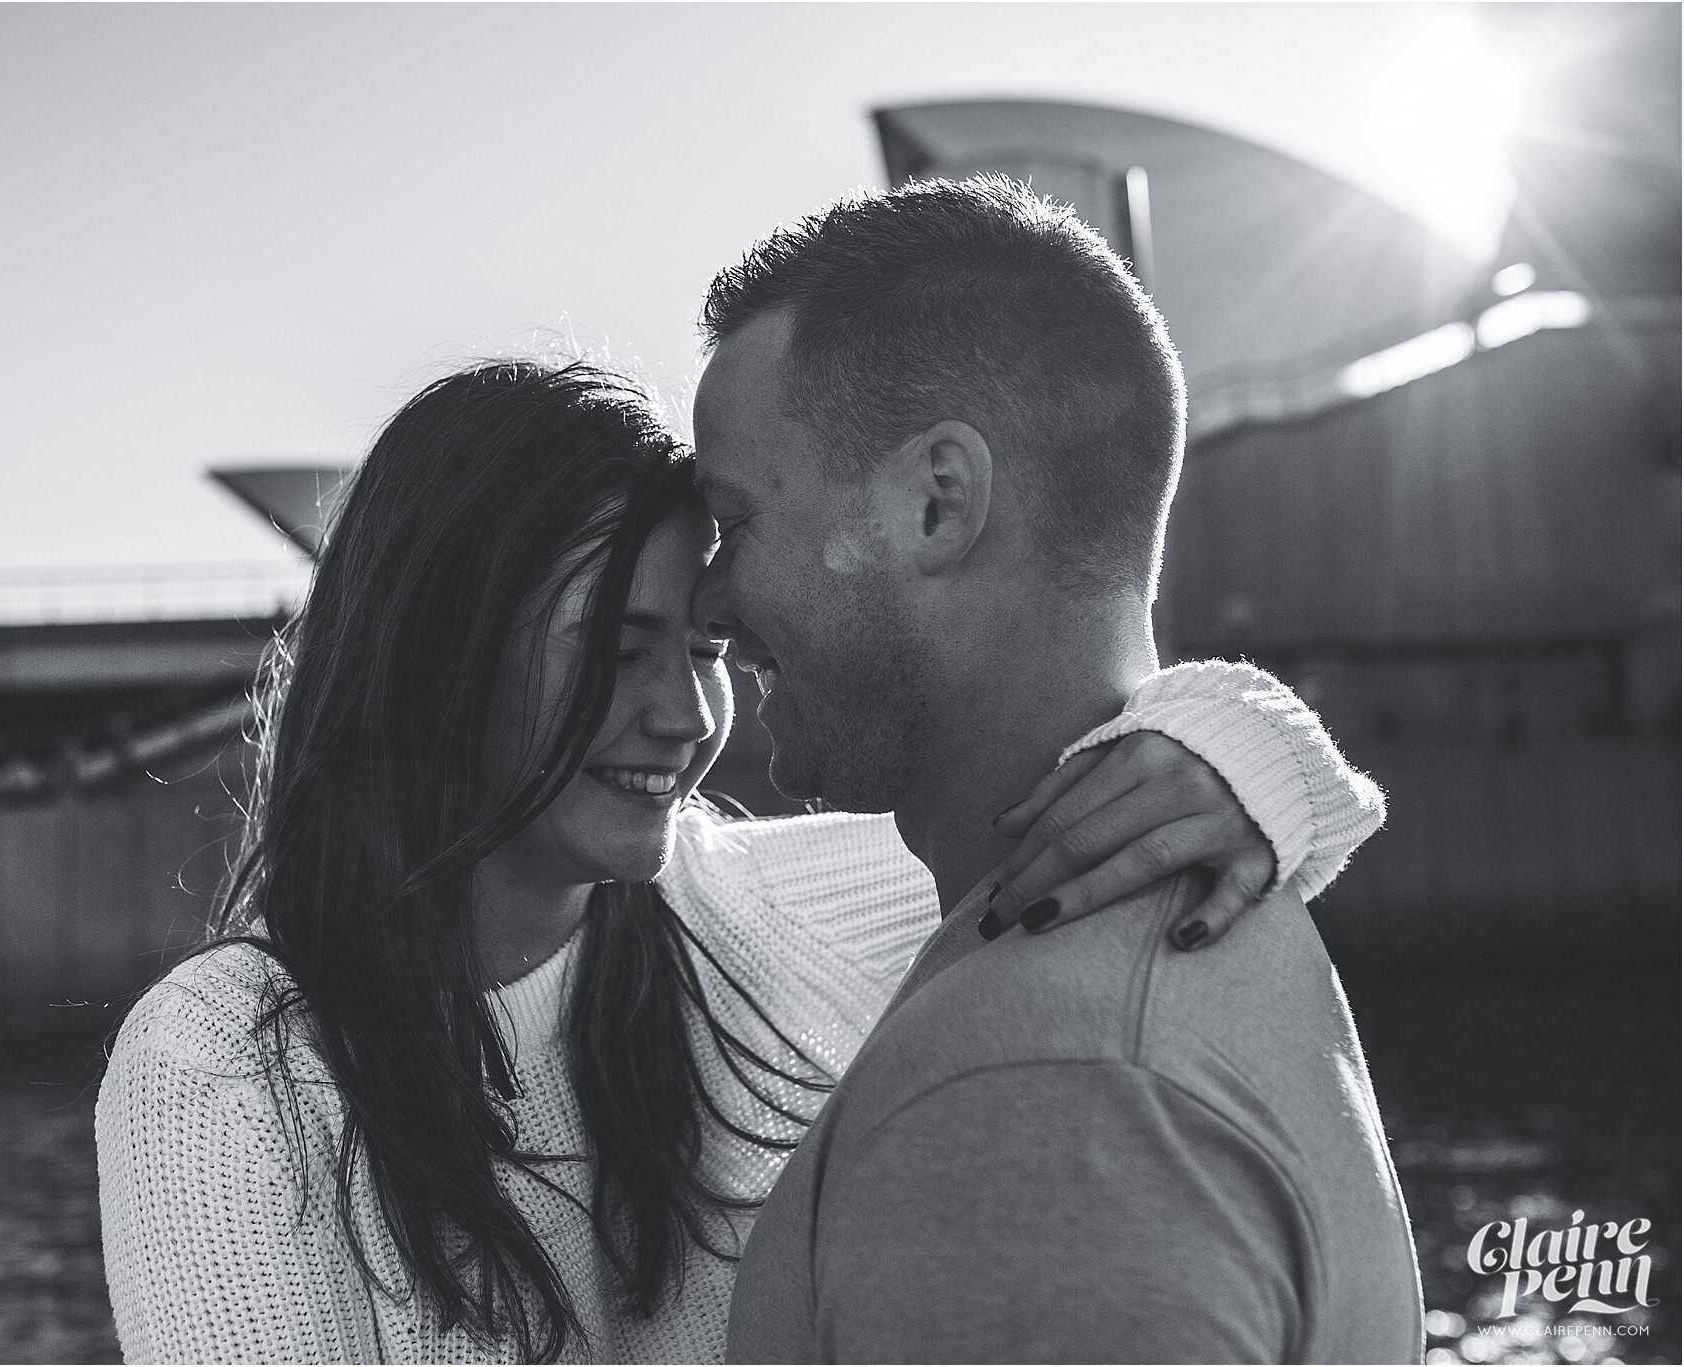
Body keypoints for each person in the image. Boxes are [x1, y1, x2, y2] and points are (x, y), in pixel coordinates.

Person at [96, 359, 1385, 1363]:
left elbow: (1141, 778)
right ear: (433, 648)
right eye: (612, 648)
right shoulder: (225, 1070)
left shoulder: (765, 904)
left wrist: (1224, 760)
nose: (684, 715)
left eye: (703, 648)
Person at [699, 177, 1423, 1364]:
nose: (710, 599)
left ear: (936, 504)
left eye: (737, 519)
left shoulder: (1036, 1101)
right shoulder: (1146, 940)